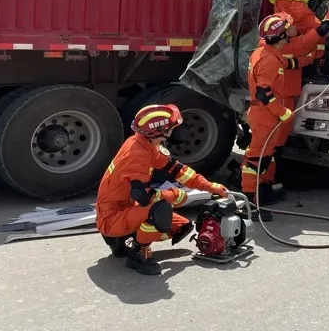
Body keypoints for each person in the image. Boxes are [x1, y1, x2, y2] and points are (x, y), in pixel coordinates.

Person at [95, 103, 229, 276]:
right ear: (161, 131)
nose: (177, 128)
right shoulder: (138, 155)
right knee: (160, 211)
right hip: (112, 216)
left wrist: (210, 186)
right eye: (173, 125)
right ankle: (138, 252)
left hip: (122, 208)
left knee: (182, 226)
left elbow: (178, 170)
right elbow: (143, 196)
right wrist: (174, 196)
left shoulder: (144, 143)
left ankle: (121, 239)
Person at [240, 12, 329, 205]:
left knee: (267, 155)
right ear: (282, 35)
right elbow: (263, 93)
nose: (293, 28)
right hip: (266, 115)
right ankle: (250, 202)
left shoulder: (267, 52)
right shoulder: (269, 61)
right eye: (288, 27)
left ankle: (264, 190)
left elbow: (285, 62)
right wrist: (282, 113)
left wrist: (302, 62)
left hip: (265, 115)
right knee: (256, 160)